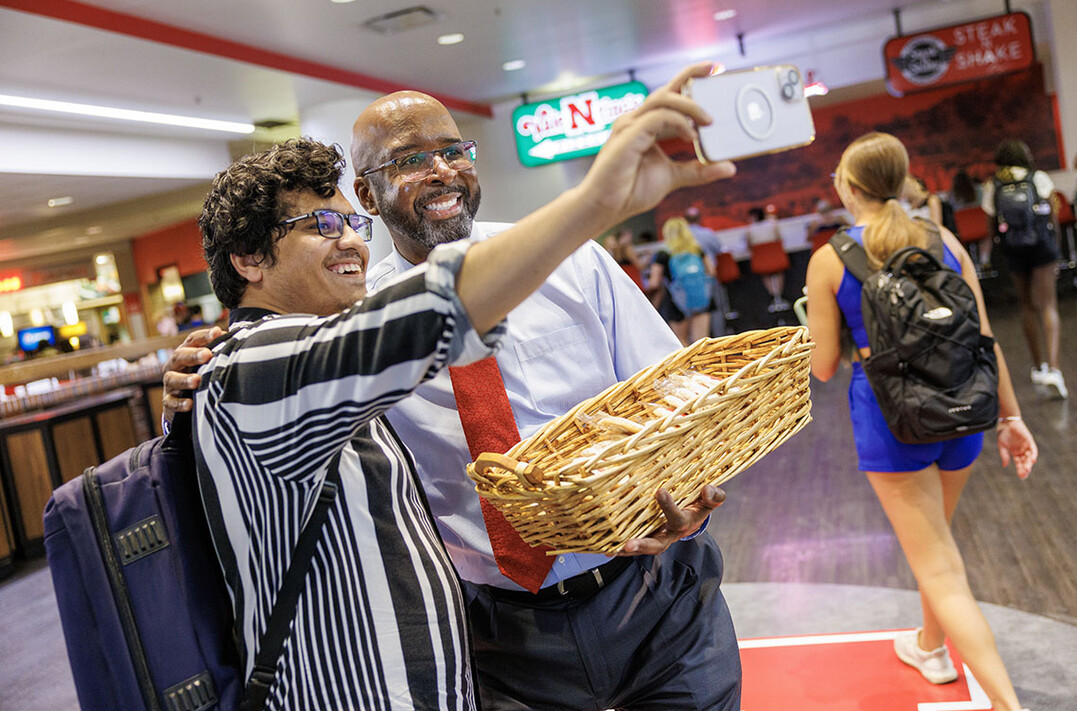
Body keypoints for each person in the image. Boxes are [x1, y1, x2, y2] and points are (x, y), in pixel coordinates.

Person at [168, 63, 743, 711]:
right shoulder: (350, 327)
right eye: (411, 160)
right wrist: (595, 202)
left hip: (654, 584)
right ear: (367, 192)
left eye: (453, 151)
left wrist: (693, 489)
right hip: (495, 631)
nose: (442, 169)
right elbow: (443, 307)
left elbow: (676, 390)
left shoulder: (575, 260)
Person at [805, 132, 1037, 711]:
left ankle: (1009, 704)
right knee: (939, 551)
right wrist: (1012, 417)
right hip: (964, 408)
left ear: (849, 187)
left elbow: (825, 367)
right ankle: (930, 647)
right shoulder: (946, 241)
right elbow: (986, 340)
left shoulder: (831, 260)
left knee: (940, 566)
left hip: (891, 420)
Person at [980, 139, 1066, 399]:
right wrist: (1057, 247)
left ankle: (1037, 365)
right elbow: (1053, 217)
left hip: (1014, 249)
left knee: (1026, 306)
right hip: (1042, 246)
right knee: (1048, 305)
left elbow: (990, 226)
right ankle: (1054, 368)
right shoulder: (1038, 178)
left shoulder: (991, 185)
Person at [645, 216, 716, 345]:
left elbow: (654, 283)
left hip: (676, 301)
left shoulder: (663, 254)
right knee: (701, 342)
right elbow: (711, 272)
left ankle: (688, 366)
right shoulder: (696, 249)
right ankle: (704, 365)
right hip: (701, 297)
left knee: (681, 342)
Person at [746, 205, 791, 312]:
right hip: (777, 259)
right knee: (778, 272)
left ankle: (773, 297)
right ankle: (779, 296)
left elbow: (749, 247)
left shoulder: (749, 230)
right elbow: (779, 240)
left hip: (761, 262)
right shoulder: (773, 225)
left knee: (765, 274)